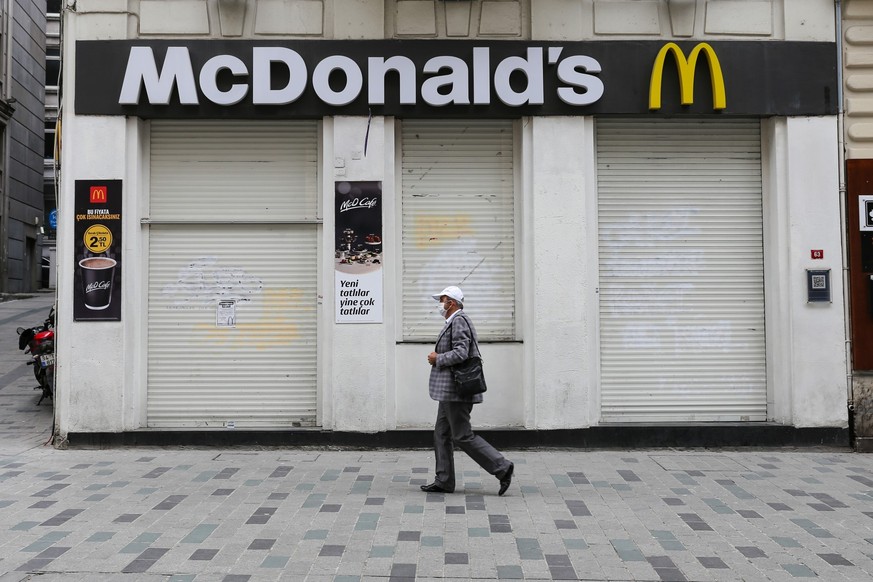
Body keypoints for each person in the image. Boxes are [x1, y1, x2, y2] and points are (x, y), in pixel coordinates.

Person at [422, 285, 514, 496]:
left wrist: (438, 359)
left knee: (462, 435)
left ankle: (502, 467)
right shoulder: (453, 321)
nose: (440, 304)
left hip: (456, 390)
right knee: (441, 434)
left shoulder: (459, 320)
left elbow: (462, 352)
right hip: (448, 391)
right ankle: (444, 480)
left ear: (451, 302)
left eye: (442, 299)